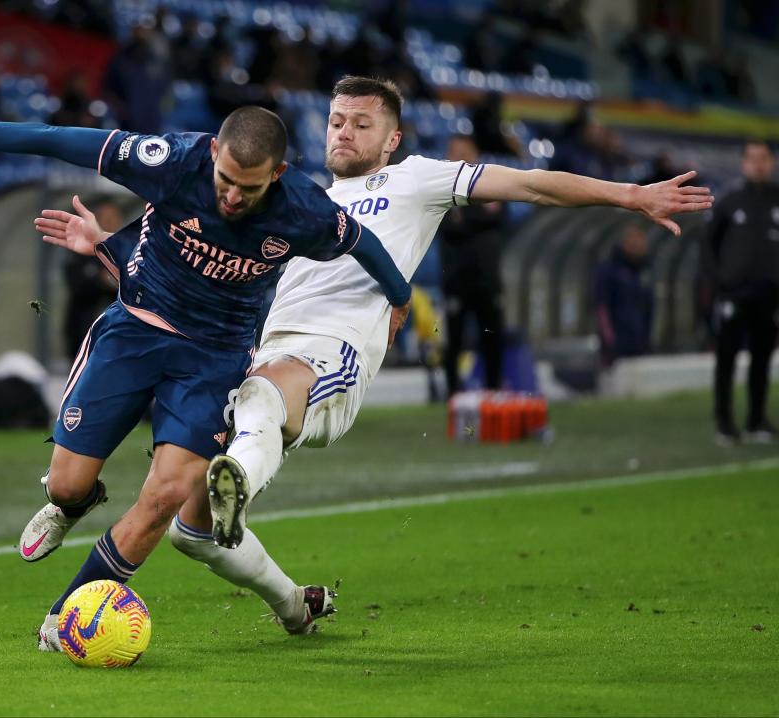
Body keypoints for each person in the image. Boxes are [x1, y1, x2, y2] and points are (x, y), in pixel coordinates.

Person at [47, 78, 713, 625]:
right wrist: (111, 247)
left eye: (362, 124)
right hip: (258, 356)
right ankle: (293, 602)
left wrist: (628, 194)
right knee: (193, 531)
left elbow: (531, 185)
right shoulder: (291, 199)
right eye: (337, 120)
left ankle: (237, 480)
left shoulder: (420, 179)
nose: (344, 132)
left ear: (393, 138)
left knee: (262, 399)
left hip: (331, 357)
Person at [0, 106, 413, 644]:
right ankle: (71, 504)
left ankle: (67, 617)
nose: (232, 197)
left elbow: (364, 243)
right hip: (134, 333)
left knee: (167, 493)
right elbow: (53, 136)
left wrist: (399, 299)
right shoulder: (170, 160)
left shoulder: (304, 211)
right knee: (67, 482)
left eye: (249, 188)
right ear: (214, 153)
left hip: (213, 360)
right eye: (225, 180)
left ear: (278, 174)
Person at [703, 140, 779, 445]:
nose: (757, 164)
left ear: (771, 162)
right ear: (743, 163)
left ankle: (757, 420)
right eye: (752, 158)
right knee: (726, 359)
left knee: (762, 358)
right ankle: (724, 423)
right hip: (734, 294)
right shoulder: (729, 201)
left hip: (770, 294)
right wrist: (721, 282)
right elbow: (709, 245)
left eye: (763, 158)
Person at [437, 134, 506, 394]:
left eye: (465, 151)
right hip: (455, 280)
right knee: (453, 341)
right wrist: (477, 214)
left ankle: (494, 393)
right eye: (455, 151)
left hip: (488, 279)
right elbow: (451, 227)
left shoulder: (492, 183)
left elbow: (497, 217)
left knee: (492, 338)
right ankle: (452, 395)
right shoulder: (441, 189)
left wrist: (465, 216)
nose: (460, 157)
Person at [61, 201, 121, 362]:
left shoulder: (126, 251)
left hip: (118, 336)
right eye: (105, 218)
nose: (110, 222)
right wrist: (101, 280)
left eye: (114, 218)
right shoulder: (81, 251)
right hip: (82, 331)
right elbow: (77, 283)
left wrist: (114, 279)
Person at [593, 223, 654, 368]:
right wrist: (609, 340)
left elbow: (649, 307)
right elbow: (601, 307)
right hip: (617, 344)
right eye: (633, 242)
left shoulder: (644, 271)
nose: (638, 246)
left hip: (640, 341)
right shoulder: (609, 271)